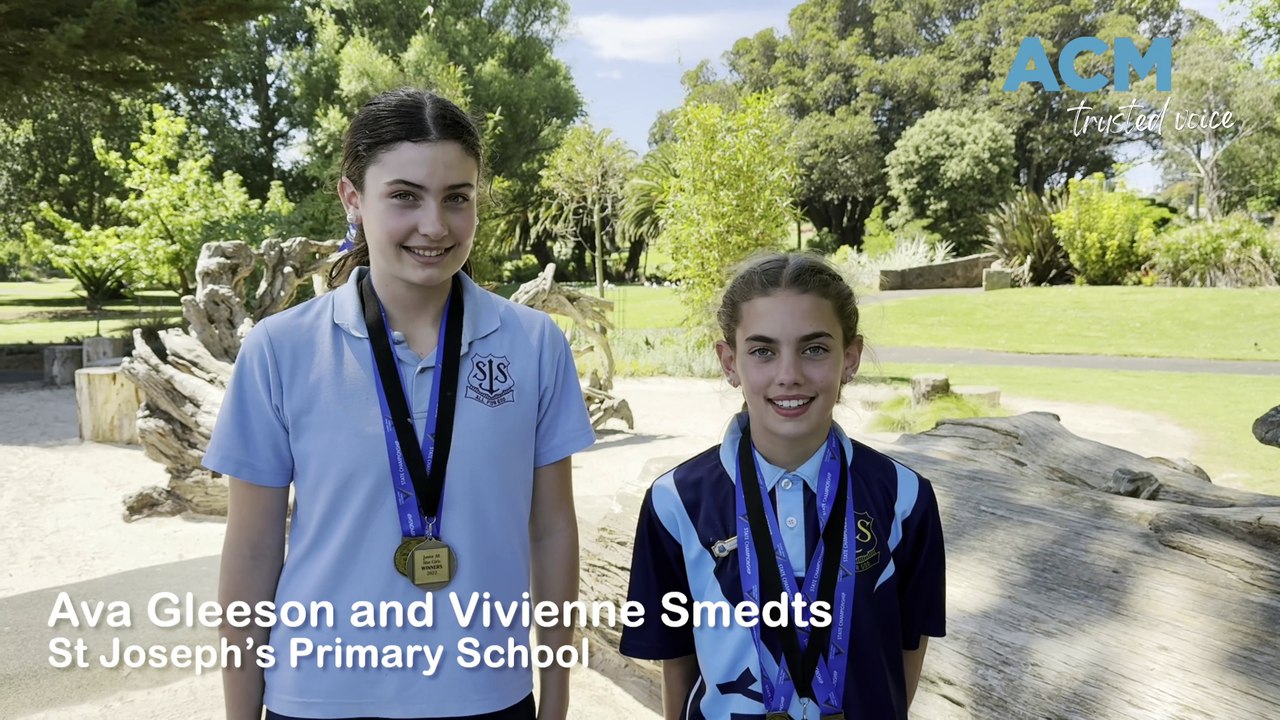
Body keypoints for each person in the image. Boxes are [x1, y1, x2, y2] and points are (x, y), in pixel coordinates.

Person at [206, 88, 595, 720]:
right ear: (352, 199)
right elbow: (251, 550)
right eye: (405, 196)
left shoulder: (534, 345)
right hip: (316, 698)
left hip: (485, 696)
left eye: (456, 198)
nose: (434, 225)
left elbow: (552, 531)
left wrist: (554, 705)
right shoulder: (280, 349)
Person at [619, 252, 945, 720]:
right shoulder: (676, 501)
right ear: (729, 362)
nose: (788, 373)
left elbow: (910, 646)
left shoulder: (904, 497)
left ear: (849, 359)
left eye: (814, 348)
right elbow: (676, 659)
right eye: (762, 351)